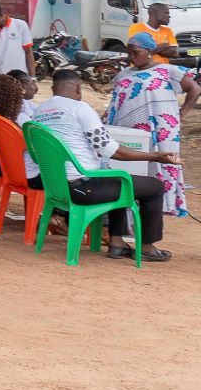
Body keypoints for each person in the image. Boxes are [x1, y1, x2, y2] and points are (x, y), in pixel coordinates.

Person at [32, 68, 178, 261]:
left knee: (116, 178)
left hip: (56, 188)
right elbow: (112, 151)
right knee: (154, 187)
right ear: (78, 88)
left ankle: (117, 244)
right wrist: (153, 156)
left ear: (53, 88)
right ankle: (147, 248)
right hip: (83, 189)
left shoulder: (39, 112)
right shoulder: (80, 108)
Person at [106, 31, 201, 216]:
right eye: (129, 53)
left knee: (161, 163)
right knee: (131, 168)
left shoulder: (168, 71)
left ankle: (158, 210)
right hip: (128, 131)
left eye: (135, 52)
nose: (131, 57)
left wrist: (180, 115)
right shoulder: (123, 74)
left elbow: (195, 89)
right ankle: (127, 213)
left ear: (149, 51)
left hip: (160, 131)